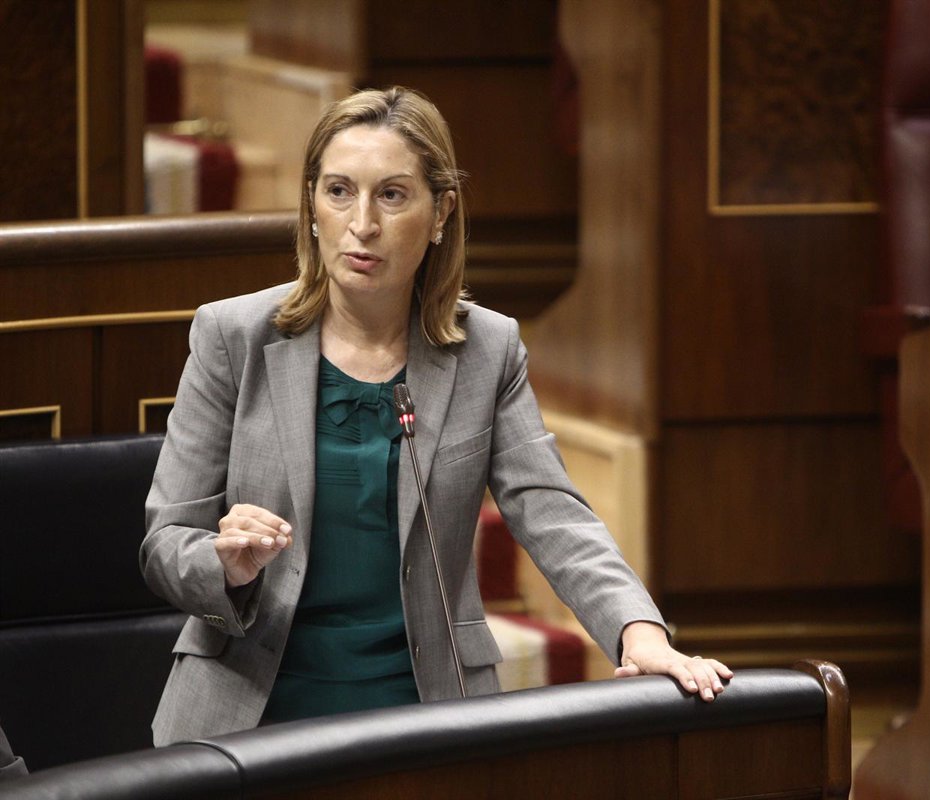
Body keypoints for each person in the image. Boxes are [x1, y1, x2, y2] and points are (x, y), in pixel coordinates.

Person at [141, 86, 731, 745]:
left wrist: (639, 632)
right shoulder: (233, 337)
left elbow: (553, 513)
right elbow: (165, 543)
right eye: (338, 191)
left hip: (426, 707)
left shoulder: (488, 350)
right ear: (310, 204)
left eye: (392, 195)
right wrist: (223, 564)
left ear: (441, 211)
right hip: (251, 708)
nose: (362, 223)